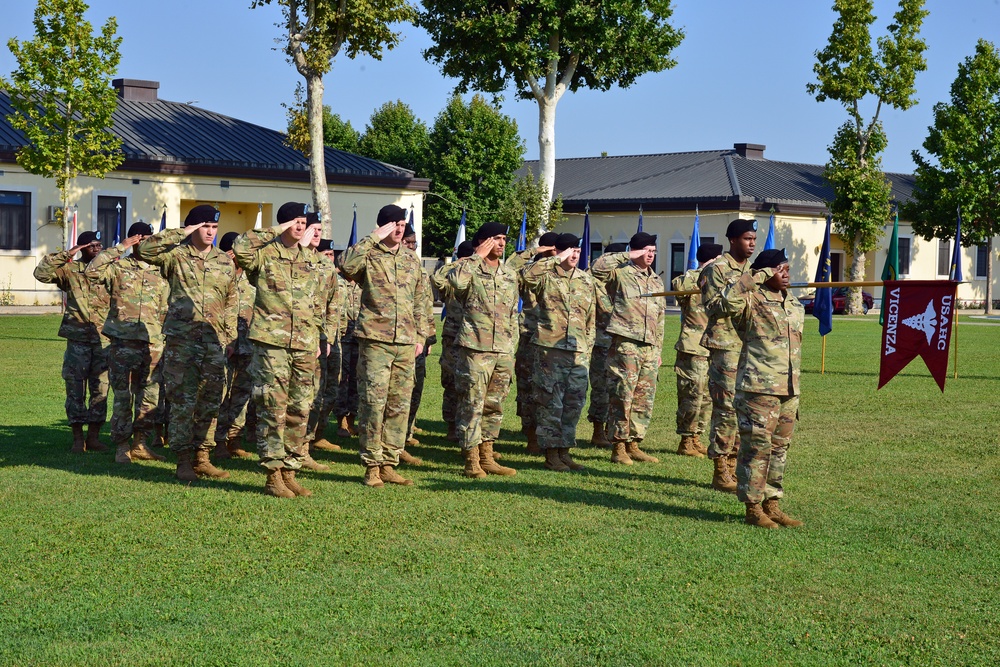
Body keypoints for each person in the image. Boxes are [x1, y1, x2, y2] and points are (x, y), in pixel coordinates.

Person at [233, 202, 339, 498]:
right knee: (272, 407)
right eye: (295, 220)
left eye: (303, 221)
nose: (300, 225)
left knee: (299, 408)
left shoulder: (311, 259)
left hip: (305, 344)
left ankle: (290, 470)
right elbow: (241, 247)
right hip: (272, 344)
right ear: (283, 224)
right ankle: (272, 474)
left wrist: (323, 336)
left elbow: (325, 298)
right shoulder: (265, 254)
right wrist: (276, 230)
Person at [135, 205, 237, 482]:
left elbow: (231, 301)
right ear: (193, 227)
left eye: (214, 227)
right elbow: (144, 251)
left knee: (211, 401)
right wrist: (183, 232)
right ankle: (182, 460)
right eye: (204, 226)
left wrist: (228, 337)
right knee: (182, 401)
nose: (210, 232)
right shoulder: (176, 255)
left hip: (213, 342)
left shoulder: (223, 260)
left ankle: (202, 457)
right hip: (182, 341)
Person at [340, 204, 433, 488]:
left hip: (405, 343)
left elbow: (421, 299)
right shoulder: (368, 255)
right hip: (375, 341)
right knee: (372, 404)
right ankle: (371, 465)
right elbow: (345, 265)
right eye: (393, 223)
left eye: (402, 223)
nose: (399, 227)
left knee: (398, 405)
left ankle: (390, 462)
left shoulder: (410, 259)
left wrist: (422, 335)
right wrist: (372, 238)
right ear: (382, 227)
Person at [719, 249, 804, 528]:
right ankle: (753, 507)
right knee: (756, 449)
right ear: (766, 272)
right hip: (759, 388)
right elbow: (724, 302)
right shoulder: (751, 300)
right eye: (780, 269)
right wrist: (755, 277)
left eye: (788, 269)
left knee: (780, 449)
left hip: (788, 389)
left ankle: (772, 503)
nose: (786, 274)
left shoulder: (793, 303)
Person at [448, 222, 529, 478]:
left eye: (504, 239)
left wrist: (511, 347)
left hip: (503, 350)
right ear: (483, 242)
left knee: (494, 405)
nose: (502, 244)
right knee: (472, 404)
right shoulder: (468, 269)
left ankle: (487, 455)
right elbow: (456, 283)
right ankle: (471, 460)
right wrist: (476, 257)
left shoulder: (508, 274)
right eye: (496, 238)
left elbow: (512, 313)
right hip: (475, 348)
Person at [86, 222, 169, 464]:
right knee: (123, 396)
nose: (143, 243)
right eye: (139, 238)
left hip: (153, 343)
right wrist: (119, 248)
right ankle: (122, 445)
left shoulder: (163, 270)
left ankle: (141, 443)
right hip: (123, 343)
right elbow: (92, 271)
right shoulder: (119, 267)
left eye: (148, 238)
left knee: (149, 395)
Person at [520, 233, 596, 471]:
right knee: (551, 403)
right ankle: (551, 454)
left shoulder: (585, 280)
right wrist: (553, 258)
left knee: (574, 404)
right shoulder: (545, 276)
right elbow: (525, 276)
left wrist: (588, 347)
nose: (574, 255)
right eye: (569, 250)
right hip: (550, 350)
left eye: (577, 250)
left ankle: (565, 451)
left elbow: (590, 319)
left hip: (578, 351)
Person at [590, 232, 666, 465]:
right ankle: (619, 445)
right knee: (622, 395)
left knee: (644, 398)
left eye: (653, 251)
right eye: (646, 251)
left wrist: (659, 348)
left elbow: (660, 317)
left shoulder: (655, 280)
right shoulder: (620, 273)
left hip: (649, 347)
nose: (650, 255)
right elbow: (597, 268)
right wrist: (630, 254)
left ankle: (634, 443)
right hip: (626, 344)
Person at [34, 230, 112, 452]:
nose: (97, 249)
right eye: (91, 245)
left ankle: (94, 437)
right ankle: (78, 438)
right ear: (81, 248)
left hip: (102, 339)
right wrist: (67, 255)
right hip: (77, 340)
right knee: (75, 389)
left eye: (99, 245)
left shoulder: (108, 271)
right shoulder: (69, 270)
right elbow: (41, 273)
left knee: (101, 389)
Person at [699, 219, 757, 493]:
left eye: (754, 239)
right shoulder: (717, 269)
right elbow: (713, 306)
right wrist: (743, 285)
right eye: (747, 238)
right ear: (733, 240)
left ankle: (734, 465)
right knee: (725, 410)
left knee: (743, 408)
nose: (752, 243)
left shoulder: (751, 270)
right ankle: (720, 468)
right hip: (725, 346)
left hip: (749, 346)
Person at [671, 243, 723, 458]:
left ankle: (696, 437)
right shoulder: (693, 278)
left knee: (707, 397)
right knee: (692, 393)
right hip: (693, 346)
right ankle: (686, 439)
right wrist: (705, 270)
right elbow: (678, 286)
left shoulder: (719, 279)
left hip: (713, 345)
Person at [213, 231, 256, 460]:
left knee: (242, 394)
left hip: (247, 345)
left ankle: (234, 438)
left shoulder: (252, 276)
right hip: (223, 343)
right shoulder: (218, 274)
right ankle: (217, 440)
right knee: (221, 394)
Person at [515, 231, 559, 453]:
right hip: (531, 336)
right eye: (554, 249)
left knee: (552, 390)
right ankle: (531, 435)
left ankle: (549, 434)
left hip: (555, 341)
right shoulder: (530, 271)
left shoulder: (560, 272)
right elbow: (514, 270)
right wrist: (535, 253)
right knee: (528, 388)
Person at [432, 240, 476, 443]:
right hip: (453, 336)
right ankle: (451, 426)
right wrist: (456, 263)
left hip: (474, 339)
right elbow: (436, 279)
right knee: (450, 384)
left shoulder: (475, 276)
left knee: (470, 386)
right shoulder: (452, 278)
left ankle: (469, 429)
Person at [305, 235, 344, 457]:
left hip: (329, 339)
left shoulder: (328, 271)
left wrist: (329, 338)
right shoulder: (306, 265)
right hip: (306, 338)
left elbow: (334, 307)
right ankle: (304, 443)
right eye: (326, 254)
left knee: (328, 390)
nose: (330, 258)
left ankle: (317, 435)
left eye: (332, 254)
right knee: (310, 394)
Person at [401, 223, 435, 463]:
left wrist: (428, 337)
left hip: (417, 340)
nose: (413, 247)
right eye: (409, 242)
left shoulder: (419, 270)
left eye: (414, 243)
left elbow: (425, 307)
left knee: (415, 390)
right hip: (395, 339)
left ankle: (405, 434)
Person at [586, 241, 626, 448]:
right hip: (599, 342)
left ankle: (614, 431)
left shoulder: (622, 279)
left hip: (620, 342)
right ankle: (597, 431)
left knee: (619, 389)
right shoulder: (594, 278)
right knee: (601, 388)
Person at [334, 272, 363, 438]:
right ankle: (341, 421)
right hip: (343, 338)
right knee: (342, 379)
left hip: (359, 337)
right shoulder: (338, 281)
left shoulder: (362, 282)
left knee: (356, 379)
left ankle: (352, 419)